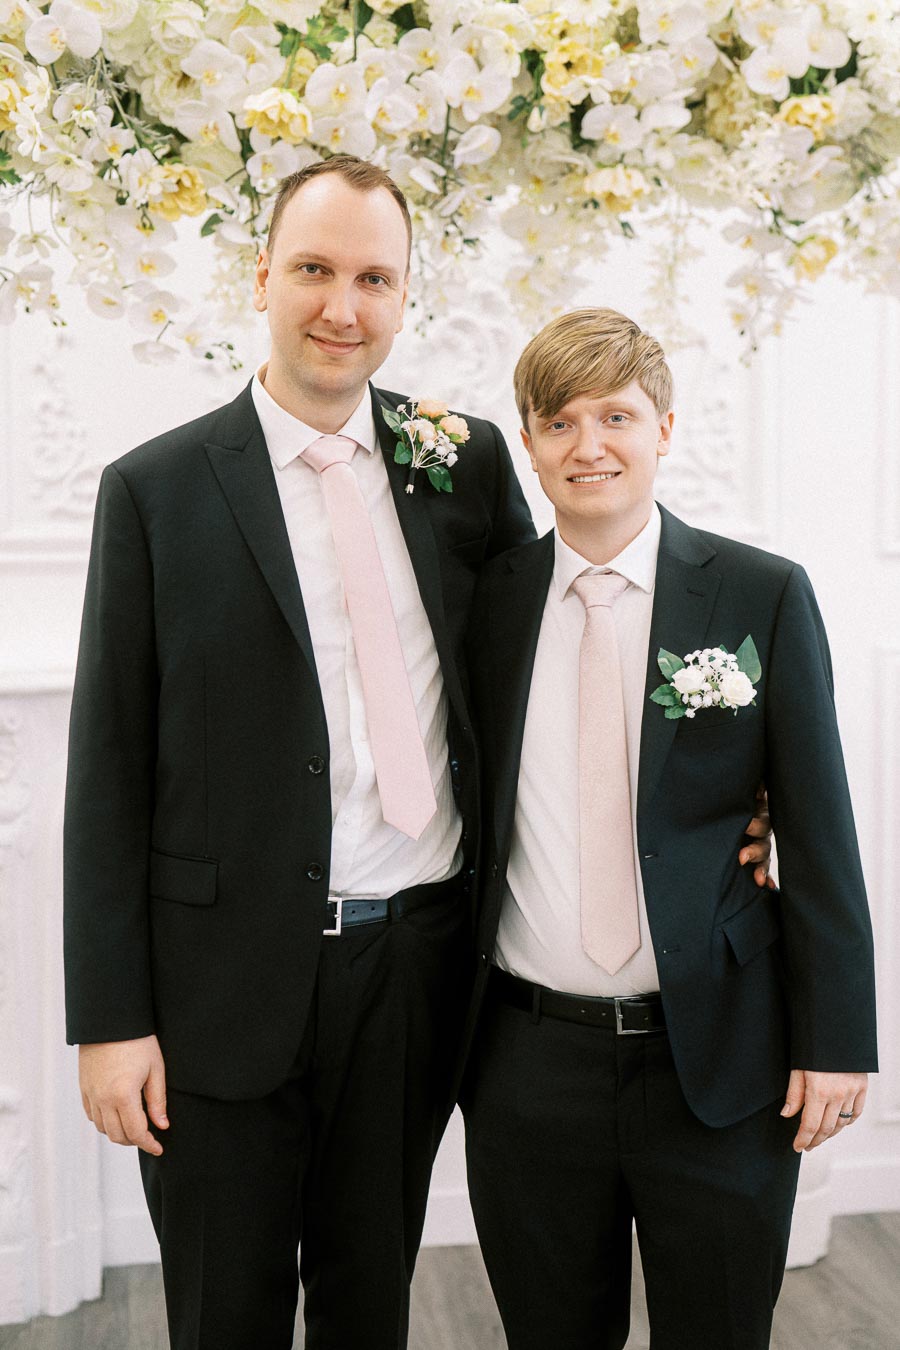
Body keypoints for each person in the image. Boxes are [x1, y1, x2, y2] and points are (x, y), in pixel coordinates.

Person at [62, 155, 538, 1350]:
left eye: (375, 277)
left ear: (407, 294)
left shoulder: (465, 465)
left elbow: (539, 679)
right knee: (226, 1313)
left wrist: (729, 806)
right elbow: (109, 768)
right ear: (261, 274)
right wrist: (110, 1021)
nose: (343, 306)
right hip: (217, 986)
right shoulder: (156, 491)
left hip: (413, 971)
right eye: (316, 269)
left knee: (370, 1300)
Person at [460, 308, 877, 1350]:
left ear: (665, 429)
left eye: (617, 415)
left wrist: (838, 1040)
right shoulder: (488, 603)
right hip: (527, 1064)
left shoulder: (761, 594)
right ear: (529, 443)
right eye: (559, 422)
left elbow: (821, 834)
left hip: (722, 1057)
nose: (588, 444)